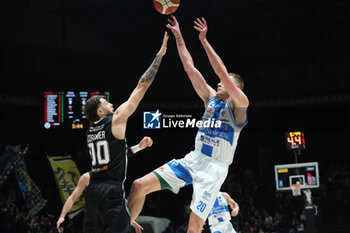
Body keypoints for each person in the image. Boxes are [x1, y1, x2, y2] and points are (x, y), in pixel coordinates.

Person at [127, 16, 249, 233]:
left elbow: (221, 72)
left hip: (214, 169)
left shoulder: (240, 106)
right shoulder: (210, 97)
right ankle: (124, 227)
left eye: (225, 82)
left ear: (235, 88)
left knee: (194, 228)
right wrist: (179, 37)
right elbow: (189, 68)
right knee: (138, 185)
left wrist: (203, 40)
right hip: (194, 159)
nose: (219, 83)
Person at [57, 32, 168, 233]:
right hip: (111, 191)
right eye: (105, 102)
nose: (110, 103)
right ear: (100, 111)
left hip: (93, 193)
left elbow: (115, 155)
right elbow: (141, 86)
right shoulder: (115, 119)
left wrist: (138, 147)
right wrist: (159, 55)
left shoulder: (91, 131)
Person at [56, 136, 154, 233]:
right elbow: (72, 197)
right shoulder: (87, 178)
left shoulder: (113, 175)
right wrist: (62, 216)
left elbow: (125, 154)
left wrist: (129, 219)